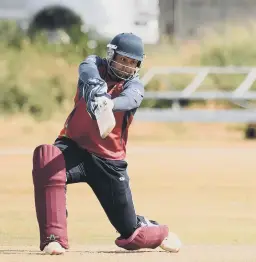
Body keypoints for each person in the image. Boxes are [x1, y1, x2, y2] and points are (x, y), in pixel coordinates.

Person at [31, 32, 181, 255]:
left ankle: (158, 231)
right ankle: (54, 239)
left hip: (109, 162)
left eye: (132, 62)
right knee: (47, 157)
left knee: (132, 236)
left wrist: (108, 104)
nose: (126, 66)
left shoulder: (135, 86)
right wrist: (97, 91)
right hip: (74, 146)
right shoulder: (93, 65)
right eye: (122, 59)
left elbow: (131, 99)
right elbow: (86, 68)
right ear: (111, 55)